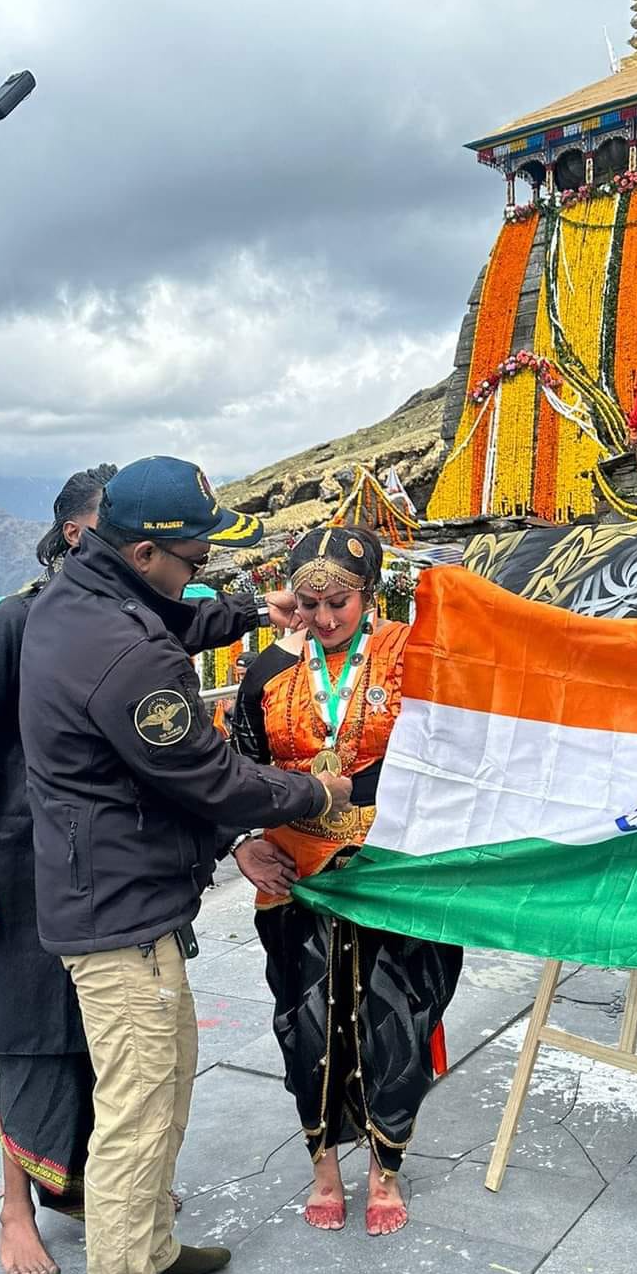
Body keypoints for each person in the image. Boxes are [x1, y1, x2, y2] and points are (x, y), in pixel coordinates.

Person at [18, 456, 352, 1274]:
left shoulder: (86, 596)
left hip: (124, 890)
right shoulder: (123, 653)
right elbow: (208, 777)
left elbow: (172, 614)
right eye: (196, 551)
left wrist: (250, 613)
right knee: (138, 1102)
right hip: (117, 908)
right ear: (147, 548)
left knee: (167, 1082)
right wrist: (314, 795)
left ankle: (152, 1247)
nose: (205, 563)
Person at [230, 526, 462, 1236]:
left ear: (369, 593)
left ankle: (385, 1168)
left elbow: (443, 746)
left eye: (340, 602)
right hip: (295, 872)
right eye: (309, 602)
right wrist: (241, 842)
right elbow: (235, 768)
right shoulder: (269, 669)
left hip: (394, 865)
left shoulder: (409, 654)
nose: (325, 619)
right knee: (305, 1022)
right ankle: (324, 1163)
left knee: (397, 1016)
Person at [0, 465, 118, 1274]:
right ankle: (16, 1210)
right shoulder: (15, 621)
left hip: (104, 872)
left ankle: (79, 1188)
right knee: (30, 1034)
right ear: (77, 535)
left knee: (99, 1034)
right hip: (19, 868)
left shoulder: (120, 625)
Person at [212, 649, 257, 737]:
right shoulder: (235, 687)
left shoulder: (262, 687)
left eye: (244, 674)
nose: (241, 678)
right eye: (238, 674)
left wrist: (232, 709)